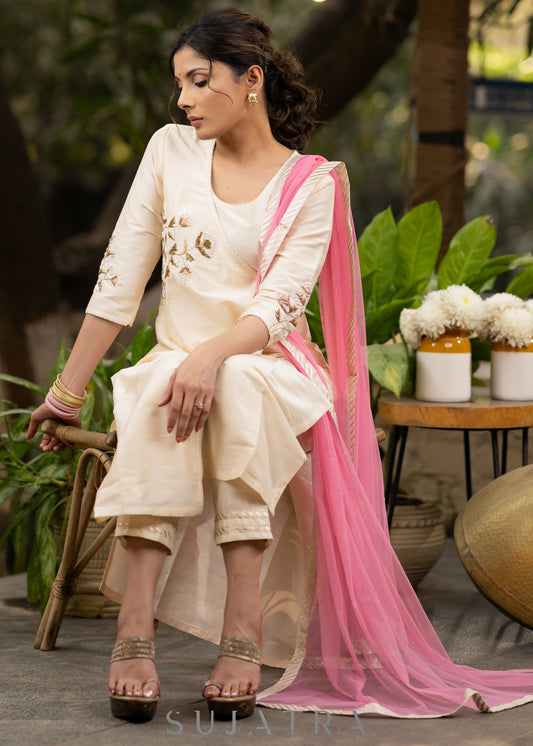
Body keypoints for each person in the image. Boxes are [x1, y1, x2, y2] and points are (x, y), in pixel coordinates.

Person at [27, 7, 533, 725]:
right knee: (167, 383)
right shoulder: (170, 151)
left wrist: (209, 356)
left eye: (199, 81)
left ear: (251, 79)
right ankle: (133, 628)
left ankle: (243, 630)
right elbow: (120, 279)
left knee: (232, 382)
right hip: (178, 363)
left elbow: (277, 306)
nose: (183, 99)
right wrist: (66, 394)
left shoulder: (312, 183)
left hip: (271, 365)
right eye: (180, 84)